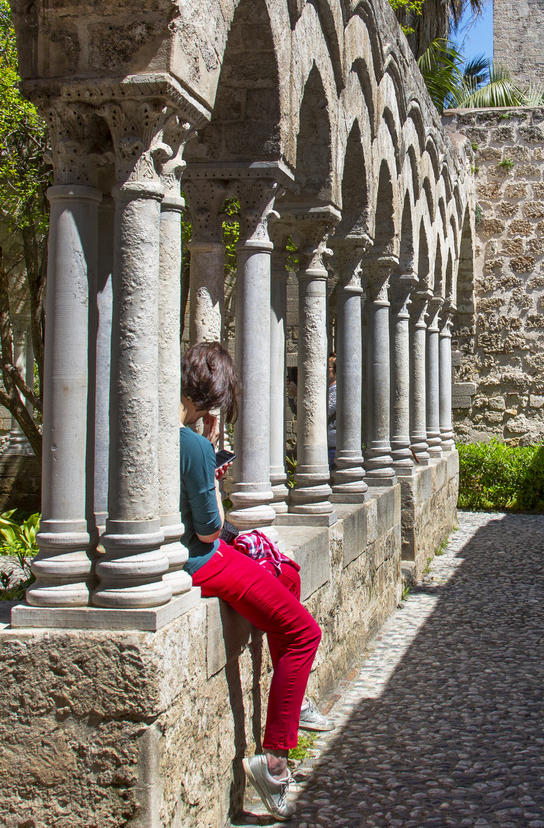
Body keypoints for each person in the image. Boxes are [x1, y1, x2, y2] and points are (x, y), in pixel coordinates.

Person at [180, 342, 321, 819]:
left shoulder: (175, 436)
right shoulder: (194, 445)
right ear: (218, 395)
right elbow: (207, 528)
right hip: (202, 560)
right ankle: (275, 761)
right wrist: (211, 465)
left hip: (200, 552)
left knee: (285, 571)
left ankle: (291, 698)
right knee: (304, 632)